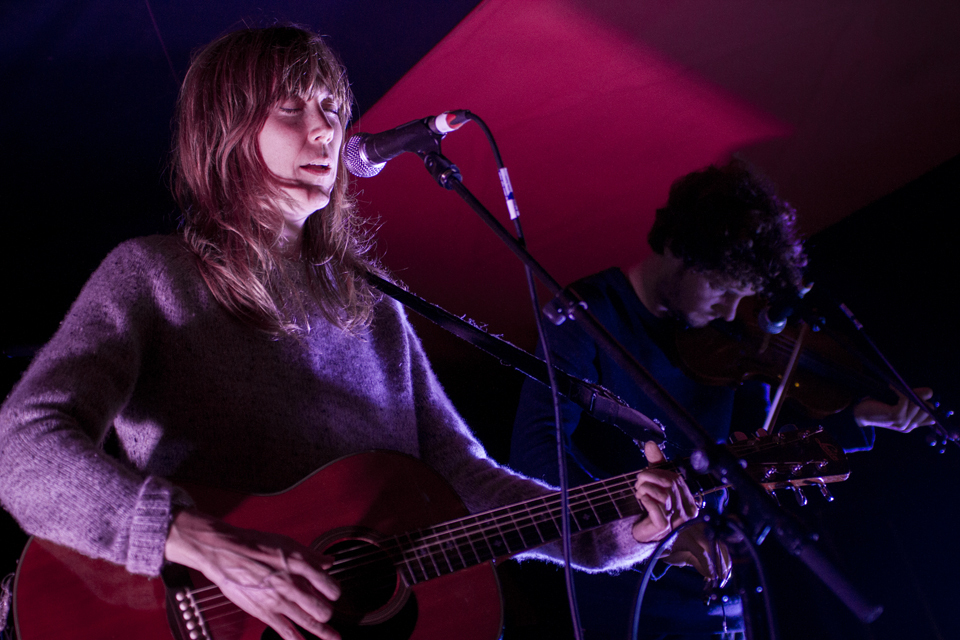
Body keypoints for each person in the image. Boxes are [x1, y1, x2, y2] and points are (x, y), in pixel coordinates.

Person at [0, 26, 698, 640]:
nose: (327, 131)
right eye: (292, 109)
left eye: (333, 109)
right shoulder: (152, 276)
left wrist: (619, 528)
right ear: (227, 129)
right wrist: (193, 539)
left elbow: (467, 483)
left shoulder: (375, 311)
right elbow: (21, 446)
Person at [508, 160, 934, 639]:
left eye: (743, 295)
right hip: (620, 590)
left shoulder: (728, 338)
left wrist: (860, 416)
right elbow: (535, 455)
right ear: (675, 248)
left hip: (718, 589)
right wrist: (650, 534)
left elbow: (756, 447)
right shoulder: (586, 316)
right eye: (723, 288)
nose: (732, 310)